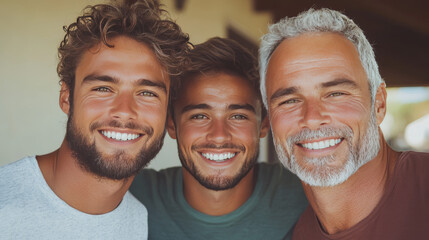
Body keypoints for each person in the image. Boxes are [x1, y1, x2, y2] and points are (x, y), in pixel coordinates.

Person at [0, 0, 190, 239]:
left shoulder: (139, 220)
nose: (125, 111)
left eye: (147, 93)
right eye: (103, 88)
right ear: (67, 98)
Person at [259, 8, 429, 239]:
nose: (312, 118)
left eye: (336, 94)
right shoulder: (298, 232)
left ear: (378, 104)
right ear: (269, 118)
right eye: (289, 100)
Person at [130, 37, 308, 240]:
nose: (219, 135)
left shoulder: (307, 193)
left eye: (238, 116)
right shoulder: (132, 195)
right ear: (172, 124)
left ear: (264, 124)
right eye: (199, 116)